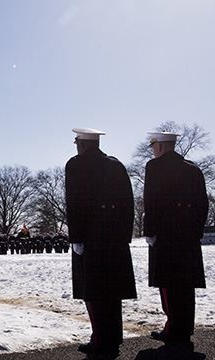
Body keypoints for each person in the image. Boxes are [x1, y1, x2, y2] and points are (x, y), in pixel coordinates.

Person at [65, 128, 137, 358]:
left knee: (93, 291)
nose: (76, 145)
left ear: (83, 144)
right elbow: (128, 203)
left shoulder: (75, 165)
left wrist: (76, 237)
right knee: (112, 290)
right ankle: (114, 337)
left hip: (90, 236)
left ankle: (100, 339)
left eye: (77, 141)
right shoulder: (116, 165)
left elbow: (74, 203)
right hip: (114, 237)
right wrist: (125, 234)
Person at [143, 132, 208, 347]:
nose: (153, 149)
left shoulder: (155, 167)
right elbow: (202, 204)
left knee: (169, 284)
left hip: (166, 234)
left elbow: (151, 201)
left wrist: (150, 231)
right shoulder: (193, 169)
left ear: (160, 146)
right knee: (186, 285)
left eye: (153, 145)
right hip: (188, 235)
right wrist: (197, 231)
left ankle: (173, 328)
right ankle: (185, 327)